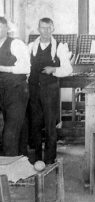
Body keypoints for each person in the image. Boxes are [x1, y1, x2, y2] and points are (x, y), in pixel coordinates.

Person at [28, 17, 73, 164]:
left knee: (50, 126)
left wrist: (54, 69)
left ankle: (49, 159)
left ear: (53, 29)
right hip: (33, 91)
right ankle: (36, 160)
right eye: (42, 28)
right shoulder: (30, 47)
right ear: (38, 29)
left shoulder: (59, 47)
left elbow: (68, 69)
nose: (45, 31)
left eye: (48, 28)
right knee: (34, 125)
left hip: (50, 91)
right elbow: (26, 69)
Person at [0, 17, 30, 156]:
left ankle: (12, 174)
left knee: (10, 134)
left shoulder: (16, 44)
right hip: (2, 91)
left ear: (6, 28)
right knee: (13, 131)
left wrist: (2, 68)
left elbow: (25, 68)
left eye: (1, 26)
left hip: (16, 90)